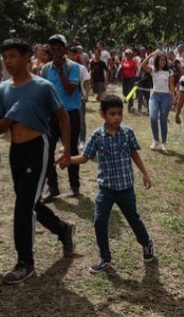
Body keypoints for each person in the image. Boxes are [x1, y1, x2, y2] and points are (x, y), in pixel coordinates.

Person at [0, 38, 76, 285]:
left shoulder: (42, 86)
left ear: (27, 57)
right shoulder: (2, 90)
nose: (8, 61)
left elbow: (62, 116)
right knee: (30, 202)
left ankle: (25, 262)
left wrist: (67, 149)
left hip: (38, 148)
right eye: (5, 57)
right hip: (15, 150)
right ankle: (62, 229)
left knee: (23, 206)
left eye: (13, 56)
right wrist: (11, 116)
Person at [69, 95, 155, 274]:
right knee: (100, 222)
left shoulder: (127, 133)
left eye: (119, 113)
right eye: (112, 114)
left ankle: (146, 243)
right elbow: (85, 158)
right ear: (103, 115)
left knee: (133, 219)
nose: (116, 117)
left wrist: (145, 173)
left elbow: (134, 154)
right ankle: (105, 258)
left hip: (125, 188)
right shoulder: (97, 136)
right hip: (106, 189)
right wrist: (68, 160)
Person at [40, 35, 82, 200]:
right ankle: (53, 187)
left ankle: (74, 186)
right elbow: (42, 92)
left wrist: (60, 71)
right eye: (53, 48)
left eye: (59, 48)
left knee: (70, 148)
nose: (56, 52)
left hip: (70, 113)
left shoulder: (74, 67)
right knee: (48, 150)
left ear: (65, 49)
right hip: (52, 114)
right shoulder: (44, 69)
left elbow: (70, 89)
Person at [140, 50, 174, 151]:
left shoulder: (169, 72)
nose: (163, 62)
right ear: (157, 61)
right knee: (153, 118)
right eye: (161, 60)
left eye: (164, 60)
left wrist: (174, 97)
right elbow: (142, 65)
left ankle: (164, 142)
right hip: (154, 96)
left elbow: (171, 85)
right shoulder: (153, 70)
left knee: (163, 120)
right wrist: (150, 54)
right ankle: (155, 140)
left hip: (166, 96)